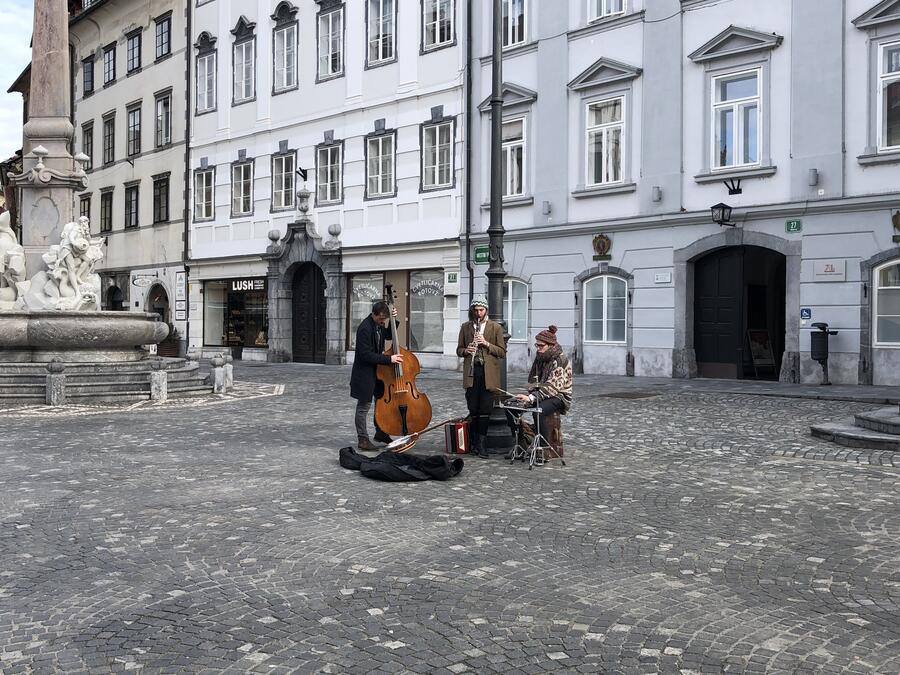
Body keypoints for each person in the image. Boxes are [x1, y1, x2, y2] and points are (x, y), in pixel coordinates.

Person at [456, 295, 506, 456]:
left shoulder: (495, 327)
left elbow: (502, 352)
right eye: (476, 310)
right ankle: (473, 443)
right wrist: (466, 351)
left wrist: (486, 343)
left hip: (488, 373)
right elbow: (459, 349)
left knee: (485, 409)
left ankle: (482, 445)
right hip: (472, 372)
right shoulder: (465, 327)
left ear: (486, 310)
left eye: (481, 310)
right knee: (473, 408)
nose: (478, 313)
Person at [350, 300, 402, 451]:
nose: (382, 322)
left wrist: (394, 320)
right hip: (364, 373)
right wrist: (389, 359)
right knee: (363, 407)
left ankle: (381, 432)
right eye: (381, 319)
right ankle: (363, 439)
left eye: (384, 319)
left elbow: (387, 336)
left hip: (378, 372)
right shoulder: (364, 329)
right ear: (373, 314)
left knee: (380, 403)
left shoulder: (378, 324)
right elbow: (366, 355)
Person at [512, 325, 573, 438]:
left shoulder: (560, 360)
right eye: (537, 345)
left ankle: (543, 447)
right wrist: (530, 393)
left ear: (551, 345)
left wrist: (531, 398)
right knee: (511, 407)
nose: (538, 348)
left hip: (559, 396)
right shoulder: (540, 356)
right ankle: (521, 442)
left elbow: (553, 387)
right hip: (540, 393)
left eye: (541, 346)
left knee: (538, 411)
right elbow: (533, 379)